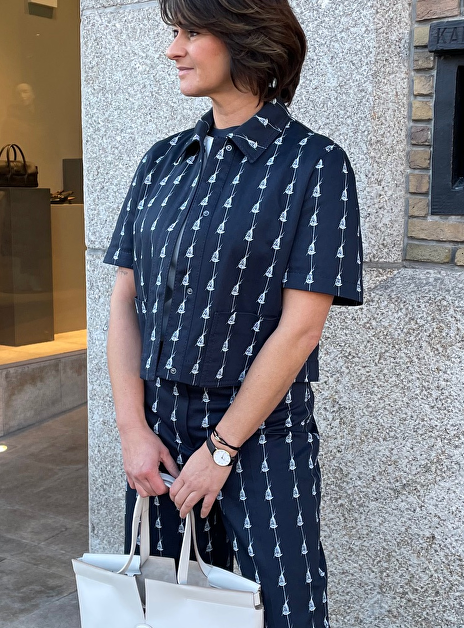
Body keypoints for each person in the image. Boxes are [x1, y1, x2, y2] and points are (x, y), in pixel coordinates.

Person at [104, 1, 363, 626]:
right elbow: (124, 301)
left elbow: (300, 329)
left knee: (288, 609)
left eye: (193, 32)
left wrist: (221, 450)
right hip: (161, 431)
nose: (174, 49)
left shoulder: (315, 164)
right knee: (168, 608)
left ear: (247, 41)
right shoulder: (161, 161)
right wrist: (133, 429)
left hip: (264, 433)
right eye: (175, 32)